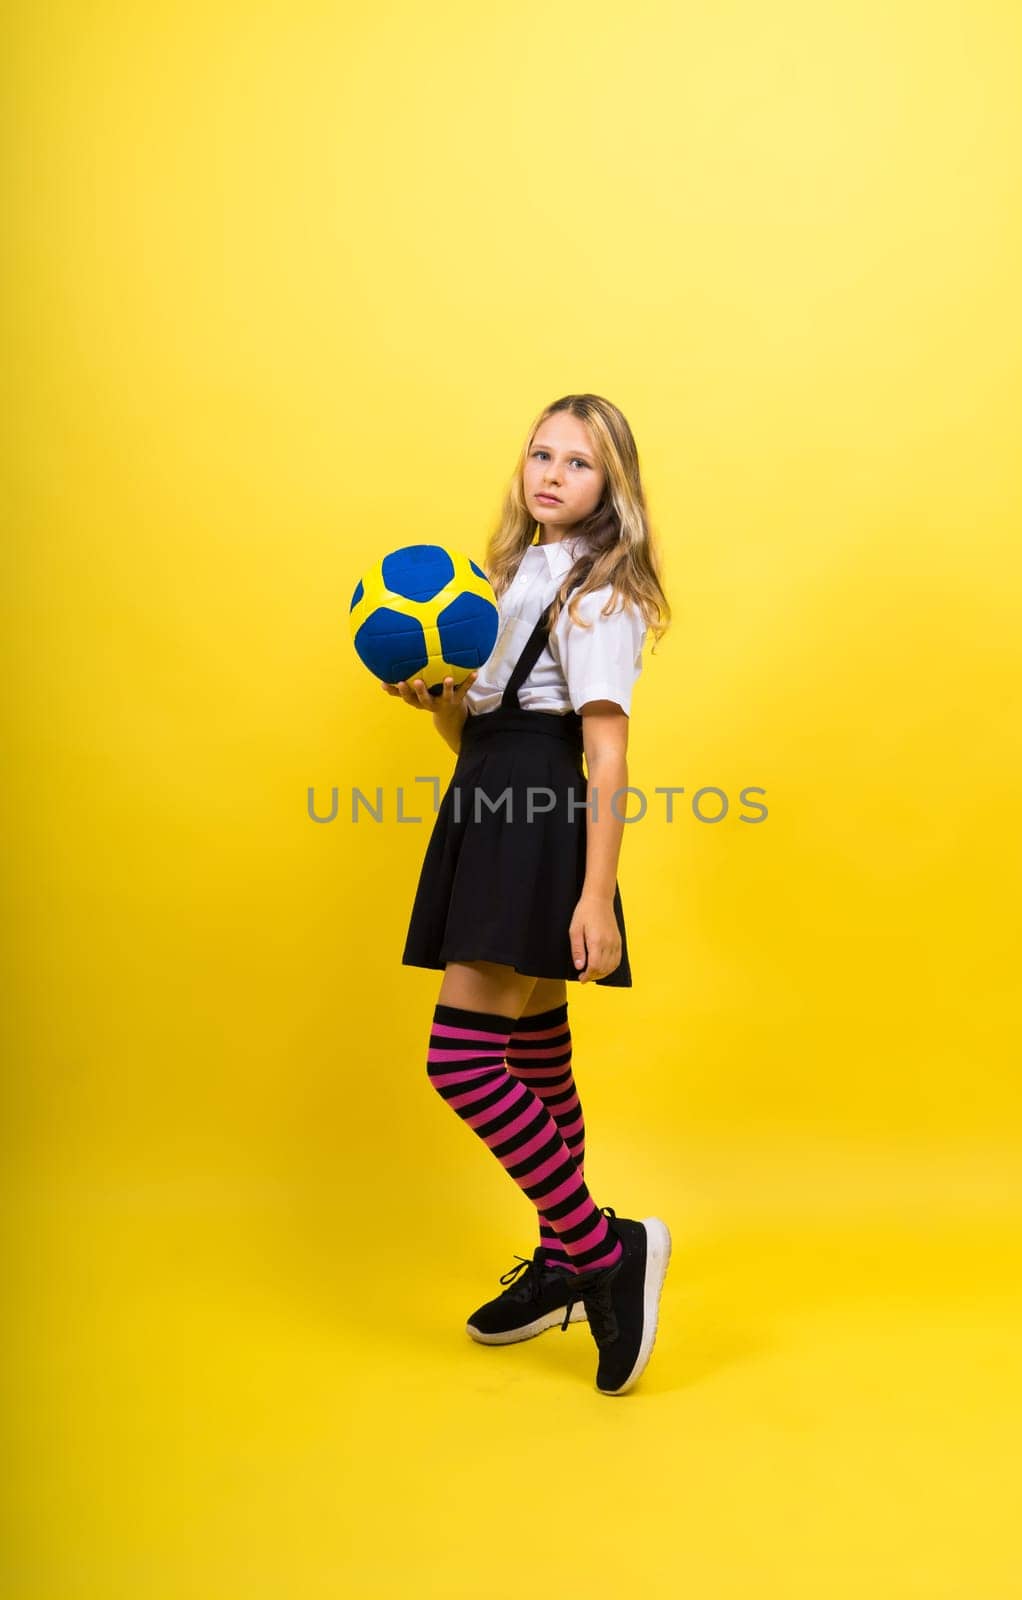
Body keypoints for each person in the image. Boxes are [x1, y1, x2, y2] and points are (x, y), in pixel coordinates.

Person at [381, 393, 672, 1396]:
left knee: (459, 1059)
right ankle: (560, 1253)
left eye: (578, 464)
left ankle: (601, 1249)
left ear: (612, 487)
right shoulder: (496, 579)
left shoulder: (600, 593)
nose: (550, 474)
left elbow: (601, 749)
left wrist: (596, 895)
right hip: (488, 795)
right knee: (535, 1051)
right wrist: (438, 700)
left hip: (541, 815)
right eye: (539, 454)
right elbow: (478, 737)